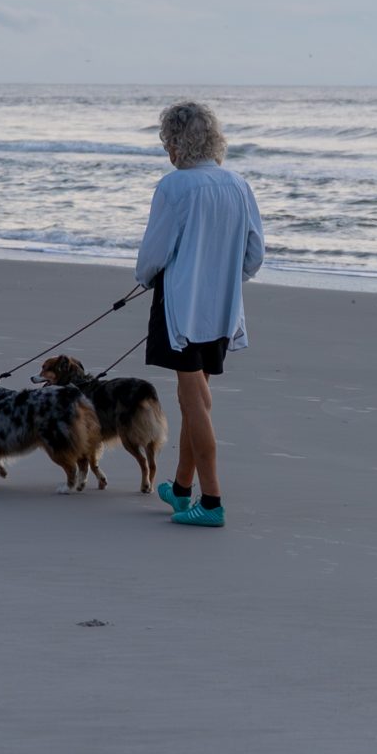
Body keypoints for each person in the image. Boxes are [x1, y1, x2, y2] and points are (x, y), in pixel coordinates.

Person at [132, 102, 264, 528]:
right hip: (222, 306)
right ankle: (182, 488)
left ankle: (211, 501)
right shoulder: (238, 183)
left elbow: (154, 255)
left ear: (176, 142)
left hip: (180, 307)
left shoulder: (175, 187)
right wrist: (224, 277)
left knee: (195, 401)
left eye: (166, 142)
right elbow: (253, 255)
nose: (166, 149)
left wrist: (148, 279)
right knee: (194, 398)